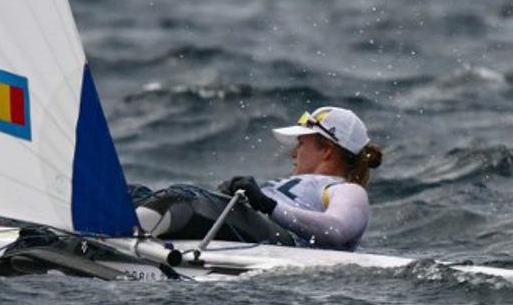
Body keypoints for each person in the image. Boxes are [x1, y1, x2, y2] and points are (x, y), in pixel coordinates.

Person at [135, 106, 383, 251]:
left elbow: (335, 229)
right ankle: (121, 224)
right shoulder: (291, 182)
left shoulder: (348, 190)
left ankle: (127, 231)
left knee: (180, 201)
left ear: (327, 150)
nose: (294, 153)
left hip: (288, 246)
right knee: (135, 193)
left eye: (301, 143)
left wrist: (267, 205)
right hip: (256, 234)